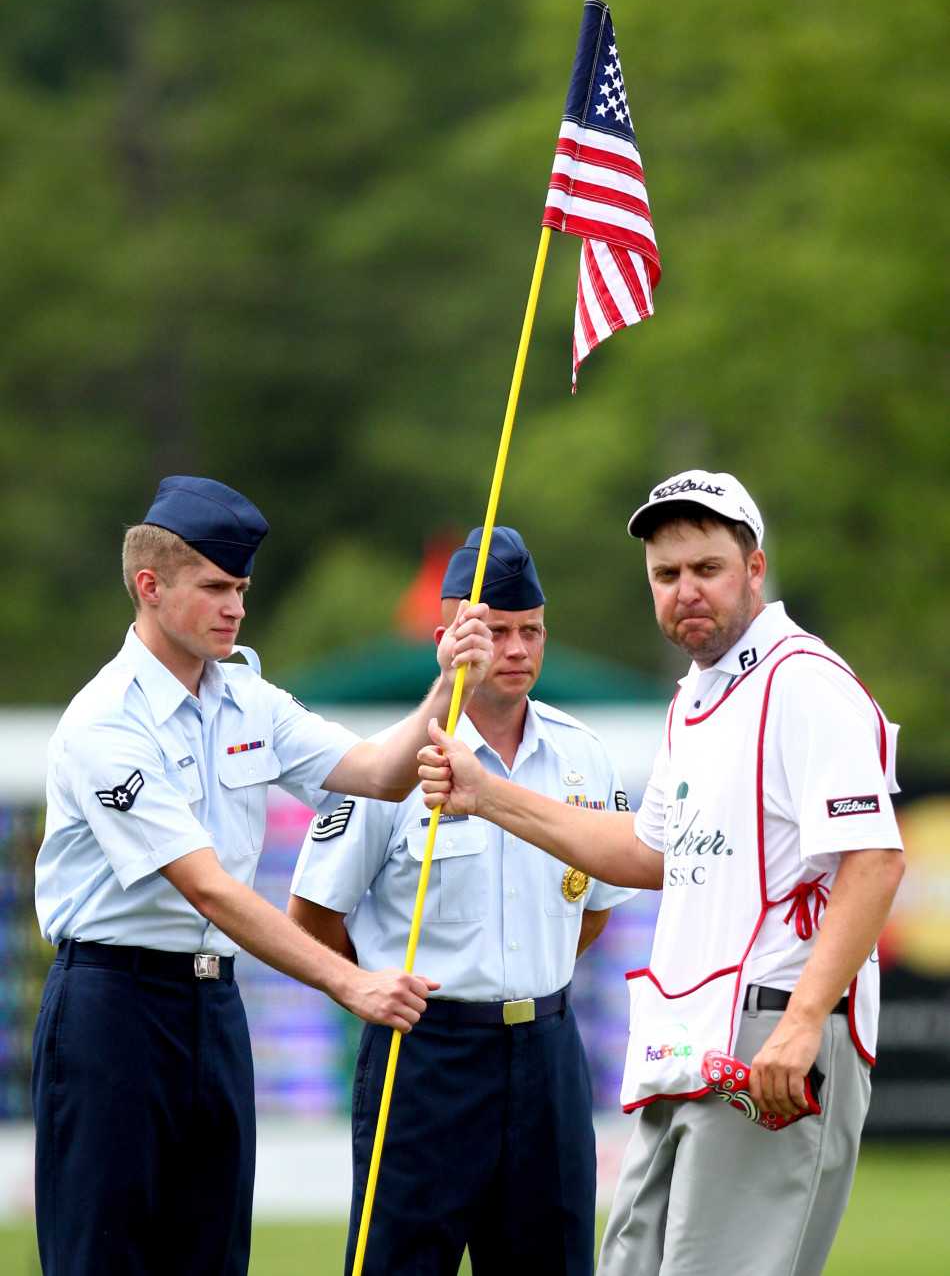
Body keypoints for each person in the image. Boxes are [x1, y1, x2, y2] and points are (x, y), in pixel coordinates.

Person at [419, 471, 905, 1276]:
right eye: (666, 575)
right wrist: (489, 796)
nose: (686, 591)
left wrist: (802, 1020)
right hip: (688, 1040)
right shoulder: (698, 694)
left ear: (754, 569)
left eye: (707, 569)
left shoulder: (804, 681)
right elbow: (649, 854)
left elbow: (876, 860)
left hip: (773, 1039)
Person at [32, 475, 492, 1276]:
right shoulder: (104, 720)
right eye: (214, 587)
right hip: (113, 1011)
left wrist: (448, 683)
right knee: (103, 1255)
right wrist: (349, 985)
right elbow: (206, 887)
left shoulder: (245, 694)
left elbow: (379, 771)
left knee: (214, 1256)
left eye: (241, 588)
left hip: (214, 1007)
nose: (235, 607)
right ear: (149, 586)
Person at [289, 526, 637, 1276]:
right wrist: (375, 987)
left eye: (531, 632)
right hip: (426, 1062)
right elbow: (314, 915)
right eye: (498, 631)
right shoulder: (392, 761)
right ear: (448, 637)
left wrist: (525, 983)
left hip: (545, 1054)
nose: (516, 650)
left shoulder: (584, 756)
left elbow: (596, 907)